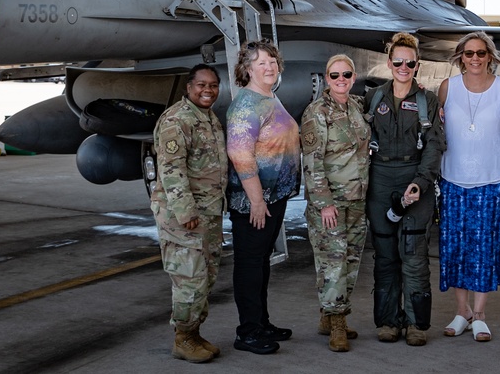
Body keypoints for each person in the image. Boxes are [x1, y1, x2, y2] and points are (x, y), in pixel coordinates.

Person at [365, 32, 445, 346]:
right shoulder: (373, 98)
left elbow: (435, 146)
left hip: (415, 178)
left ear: (416, 64)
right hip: (381, 177)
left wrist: (420, 183)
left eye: (409, 62)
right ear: (389, 63)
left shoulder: (428, 100)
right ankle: (387, 321)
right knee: (385, 257)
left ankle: (416, 325)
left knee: (413, 255)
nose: (403, 66)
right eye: (397, 61)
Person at [437, 31, 500, 343]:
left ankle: (480, 314)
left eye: (481, 53)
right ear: (460, 57)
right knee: (455, 247)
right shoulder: (447, 87)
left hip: (493, 178)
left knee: (484, 248)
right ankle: (462, 310)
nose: (475, 59)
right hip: (453, 178)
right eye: (469, 53)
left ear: (490, 56)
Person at [226, 40, 301, 355]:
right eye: (260, 63)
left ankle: (262, 322)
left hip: (274, 197)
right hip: (254, 202)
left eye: (272, 61)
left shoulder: (269, 96)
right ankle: (248, 332)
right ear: (247, 69)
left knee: (261, 264)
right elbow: (240, 154)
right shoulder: (246, 105)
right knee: (250, 265)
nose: (268, 67)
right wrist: (257, 201)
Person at [150, 64, 227, 363]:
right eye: (201, 85)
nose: (207, 90)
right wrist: (185, 212)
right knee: (189, 278)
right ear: (188, 87)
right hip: (184, 216)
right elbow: (171, 169)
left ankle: (193, 333)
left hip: (206, 213)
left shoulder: (208, 118)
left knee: (205, 276)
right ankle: (183, 338)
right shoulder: (177, 120)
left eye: (213, 85)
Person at [301, 54, 371, 352]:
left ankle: (329, 315)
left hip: (357, 200)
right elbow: (312, 163)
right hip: (330, 203)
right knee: (333, 263)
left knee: (352, 262)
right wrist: (324, 202)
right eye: (334, 75)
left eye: (346, 74)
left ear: (353, 77)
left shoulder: (356, 106)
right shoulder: (316, 113)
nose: (341, 80)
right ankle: (337, 322)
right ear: (326, 79)